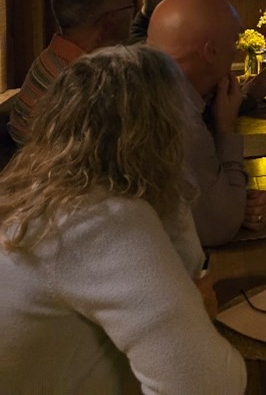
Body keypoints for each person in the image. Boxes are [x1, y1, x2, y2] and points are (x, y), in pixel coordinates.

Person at [0, 45, 246, 393]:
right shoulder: (96, 218)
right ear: (163, 130)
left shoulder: (40, 191)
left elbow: (188, 269)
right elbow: (211, 383)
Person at [147, 0, 266, 246]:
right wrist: (226, 129)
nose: (236, 49)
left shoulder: (155, 88)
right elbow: (220, 228)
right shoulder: (176, 117)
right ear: (211, 51)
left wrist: (232, 200)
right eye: (234, 40)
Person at [9, 0, 134, 145]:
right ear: (110, 19)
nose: (134, 15)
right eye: (130, 7)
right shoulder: (80, 82)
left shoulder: (57, 56)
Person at [128, 0, 198, 43]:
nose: (195, 9)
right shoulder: (145, 47)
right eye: (189, 2)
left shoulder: (161, 28)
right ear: (167, 7)